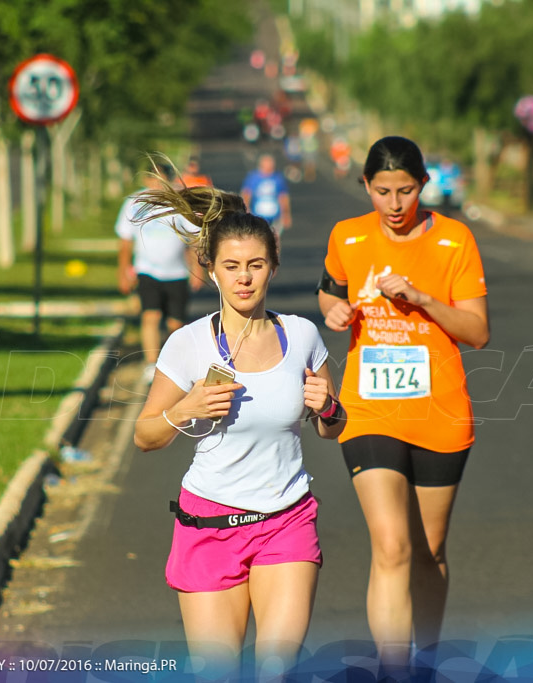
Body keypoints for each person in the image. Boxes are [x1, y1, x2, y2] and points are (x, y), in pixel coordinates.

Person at [133, 179, 346, 678]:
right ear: (211, 270)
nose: (244, 279)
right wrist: (186, 407)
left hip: (285, 521)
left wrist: (329, 407)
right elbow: (145, 436)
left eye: (255, 265)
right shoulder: (187, 345)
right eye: (231, 266)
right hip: (209, 527)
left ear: (272, 265)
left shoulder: (302, 336)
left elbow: (331, 428)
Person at [316, 136, 490, 669]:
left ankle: (428, 661)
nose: (394, 204)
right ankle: (394, 670)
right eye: (383, 191)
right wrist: (334, 312)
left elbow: (478, 331)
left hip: (439, 414)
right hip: (368, 412)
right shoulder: (347, 236)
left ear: (423, 186)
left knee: (428, 552)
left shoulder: (454, 240)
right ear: (366, 185)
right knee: (391, 546)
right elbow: (331, 289)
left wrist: (422, 300)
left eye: (406, 191)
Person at [116, 163, 204, 381]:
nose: (155, 184)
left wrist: (198, 270)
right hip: (147, 271)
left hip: (177, 273)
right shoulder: (134, 203)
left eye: (160, 179)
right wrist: (123, 272)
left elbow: (193, 239)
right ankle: (151, 364)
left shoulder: (180, 202)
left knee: (176, 324)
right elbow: (125, 241)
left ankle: (173, 364)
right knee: (150, 316)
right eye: (151, 178)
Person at [240, 154, 292, 236]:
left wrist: (285, 214)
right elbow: (246, 195)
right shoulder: (253, 178)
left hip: (275, 215)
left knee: (275, 239)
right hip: (257, 215)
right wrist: (246, 210)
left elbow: (283, 197)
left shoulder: (278, 178)